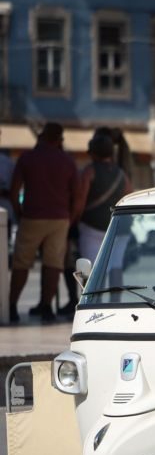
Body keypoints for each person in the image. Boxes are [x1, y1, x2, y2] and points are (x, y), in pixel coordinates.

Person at [8, 122, 77, 323]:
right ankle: (46, 307)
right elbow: (76, 194)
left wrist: (19, 213)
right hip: (60, 218)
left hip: (32, 215)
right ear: (60, 139)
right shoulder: (67, 161)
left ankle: (11, 306)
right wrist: (70, 217)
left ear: (42, 136)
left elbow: (14, 191)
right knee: (53, 264)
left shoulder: (28, 158)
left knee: (22, 262)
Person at [75, 134, 131, 265]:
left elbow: (80, 201)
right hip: (117, 229)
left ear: (93, 153)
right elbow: (129, 197)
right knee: (115, 269)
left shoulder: (90, 171)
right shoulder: (121, 174)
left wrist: (74, 220)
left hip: (92, 228)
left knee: (89, 270)